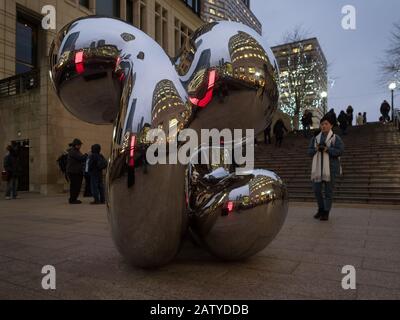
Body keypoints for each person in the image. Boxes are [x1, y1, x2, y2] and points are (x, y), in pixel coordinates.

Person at [308, 116, 344, 221]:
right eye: (322, 124)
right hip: (317, 169)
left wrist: (327, 149)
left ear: (331, 125)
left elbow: (340, 151)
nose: (323, 126)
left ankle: (326, 212)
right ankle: (321, 208)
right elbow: (309, 152)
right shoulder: (315, 138)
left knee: (328, 191)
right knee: (316, 190)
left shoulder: (335, 138)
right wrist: (316, 149)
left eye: (326, 124)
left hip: (331, 168)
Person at [66, 138, 87, 204]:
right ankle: (73, 199)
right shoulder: (73, 151)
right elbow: (81, 158)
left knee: (76, 186)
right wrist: (87, 154)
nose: (80, 146)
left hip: (76, 171)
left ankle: (73, 198)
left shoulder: (76, 151)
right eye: (79, 145)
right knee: (75, 186)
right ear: (76, 145)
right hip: (74, 172)